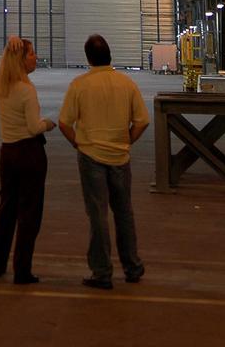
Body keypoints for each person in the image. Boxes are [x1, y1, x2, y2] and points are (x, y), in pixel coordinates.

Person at [58, 33, 150, 290]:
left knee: (97, 215)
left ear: (88, 58)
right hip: (120, 156)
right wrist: (127, 140)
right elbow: (143, 121)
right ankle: (132, 267)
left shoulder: (79, 85)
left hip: (91, 156)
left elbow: (64, 123)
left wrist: (79, 143)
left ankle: (102, 272)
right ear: (110, 55)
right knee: (124, 213)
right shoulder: (127, 83)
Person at [0, 36, 55, 285]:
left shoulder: (1, 85)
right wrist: (50, 124)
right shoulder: (26, 90)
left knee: (6, 209)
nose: (35, 57)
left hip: (7, 153)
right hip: (29, 153)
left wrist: (11, 44)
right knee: (29, 213)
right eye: (31, 54)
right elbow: (34, 127)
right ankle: (22, 269)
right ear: (21, 59)